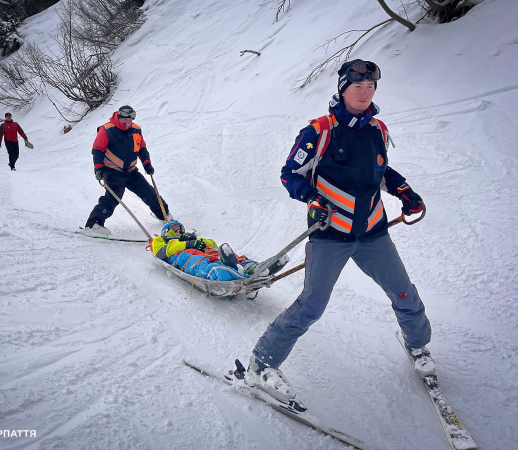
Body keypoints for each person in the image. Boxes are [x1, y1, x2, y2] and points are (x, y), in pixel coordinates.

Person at [244, 59, 433, 405]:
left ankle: (417, 345)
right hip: (329, 234)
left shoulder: (377, 129)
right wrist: (312, 198)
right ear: (343, 89)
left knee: (404, 293)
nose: (365, 92)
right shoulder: (319, 130)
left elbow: (380, 169)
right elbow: (290, 174)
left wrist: (403, 190)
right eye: (358, 86)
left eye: (370, 87)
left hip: (373, 233)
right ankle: (260, 366)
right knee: (310, 307)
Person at [84, 105, 172, 237]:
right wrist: (98, 168)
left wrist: (147, 164)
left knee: (149, 192)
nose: (129, 122)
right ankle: (93, 224)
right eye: (126, 119)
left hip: (131, 171)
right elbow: (97, 150)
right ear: (119, 117)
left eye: (131, 119)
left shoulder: (136, 130)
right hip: (113, 171)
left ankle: (164, 215)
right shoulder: (107, 130)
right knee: (112, 198)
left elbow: (141, 148)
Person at [151, 221, 289, 281]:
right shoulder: (161, 240)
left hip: (205, 251)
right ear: (166, 231)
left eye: (181, 228)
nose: (179, 231)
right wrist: (186, 244)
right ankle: (227, 270)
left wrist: (196, 240)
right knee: (197, 261)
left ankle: (253, 268)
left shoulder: (188, 238)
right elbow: (161, 253)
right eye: (175, 228)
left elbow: (213, 243)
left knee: (220, 253)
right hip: (181, 256)